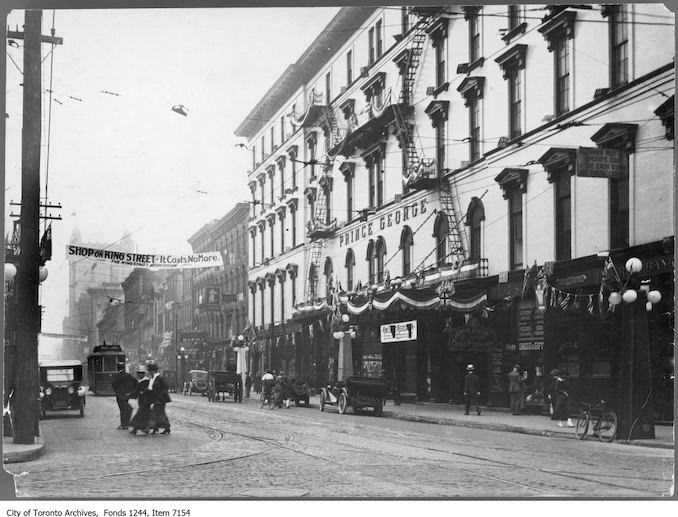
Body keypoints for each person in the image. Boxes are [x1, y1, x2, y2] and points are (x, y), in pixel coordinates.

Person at [111, 362, 138, 429]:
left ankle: (123, 424)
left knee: (123, 410)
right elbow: (136, 382)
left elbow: (113, 384)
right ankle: (126, 423)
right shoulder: (128, 375)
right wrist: (131, 391)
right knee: (126, 408)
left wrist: (117, 391)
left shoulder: (117, 376)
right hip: (127, 396)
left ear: (117, 368)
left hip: (120, 395)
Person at [147, 363, 172, 434]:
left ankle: (152, 428)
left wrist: (161, 395)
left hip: (161, 399)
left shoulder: (160, 378)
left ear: (152, 371)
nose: (149, 373)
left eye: (149, 371)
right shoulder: (154, 379)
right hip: (157, 399)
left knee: (155, 413)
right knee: (161, 413)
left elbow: (166, 386)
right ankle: (164, 427)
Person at [129, 371, 152, 435]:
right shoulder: (142, 381)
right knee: (146, 415)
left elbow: (140, 390)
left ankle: (135, 429)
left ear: (143, 374)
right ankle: (147, 428)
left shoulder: (145, 381)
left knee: (139, 415)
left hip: (145, 401)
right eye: (138, 374)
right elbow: (137, 390)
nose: (138, 375)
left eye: (139, 374)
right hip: (143, 401)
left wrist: (131, 395)